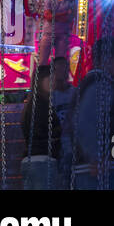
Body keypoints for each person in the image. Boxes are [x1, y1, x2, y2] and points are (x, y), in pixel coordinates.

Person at [71, 35, 114, 190]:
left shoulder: (95, 84)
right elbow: (84, 120)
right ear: (110, 58)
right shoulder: (100, 84)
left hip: (105, 163)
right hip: (102, 166)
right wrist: (95, 157)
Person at [21, 65, 61, 190]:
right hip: (42, 160)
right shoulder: (40, 105)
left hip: (33, 160)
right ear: (40, 81)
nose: (53, 83)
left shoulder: (33, 103)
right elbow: (41, 133)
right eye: (50, 79)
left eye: (54, 79)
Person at [50, 56, 74, 186]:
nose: (62, 72)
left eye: (64, 69)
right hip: (56, 145)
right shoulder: (49, 96)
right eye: (58, 69)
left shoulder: (75, 93)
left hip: (72, 143)